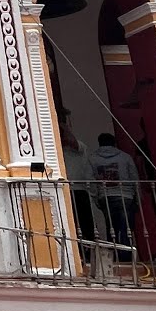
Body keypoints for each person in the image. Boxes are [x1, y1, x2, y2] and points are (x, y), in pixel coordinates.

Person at [90, 132, 140, 261]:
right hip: (126, 195)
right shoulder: (125, 157)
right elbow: (134, 177)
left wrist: (96, 197)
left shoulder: (93, 158)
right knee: (126, 227)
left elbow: (91, 179)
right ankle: (126, 257)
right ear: (114, 143)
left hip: (106, 196)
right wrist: (138, 197)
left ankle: (112, 256)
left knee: (110, 227)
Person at [58, 112, 96, 260]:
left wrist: (64, 127)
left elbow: (72, 142)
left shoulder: (79, 147)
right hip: (66, 189)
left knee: (85, 224)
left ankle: (88, 254)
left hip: (79, 190)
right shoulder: (58, 149)